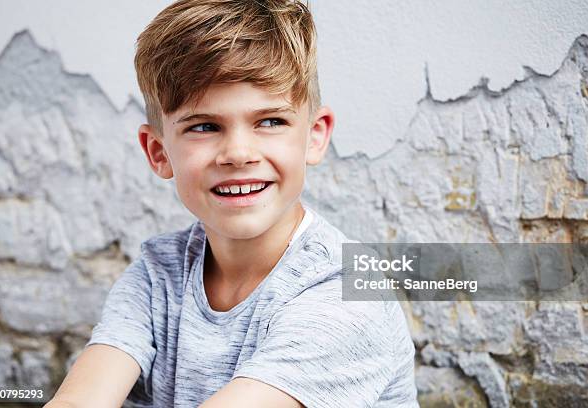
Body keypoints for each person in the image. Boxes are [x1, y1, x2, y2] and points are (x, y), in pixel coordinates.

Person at [45, 1, 417, 407]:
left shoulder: (344, 299)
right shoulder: (159, 275)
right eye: (204, 126)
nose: (238, 153)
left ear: (314, 135)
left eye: (270, 121)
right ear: (158, 152)